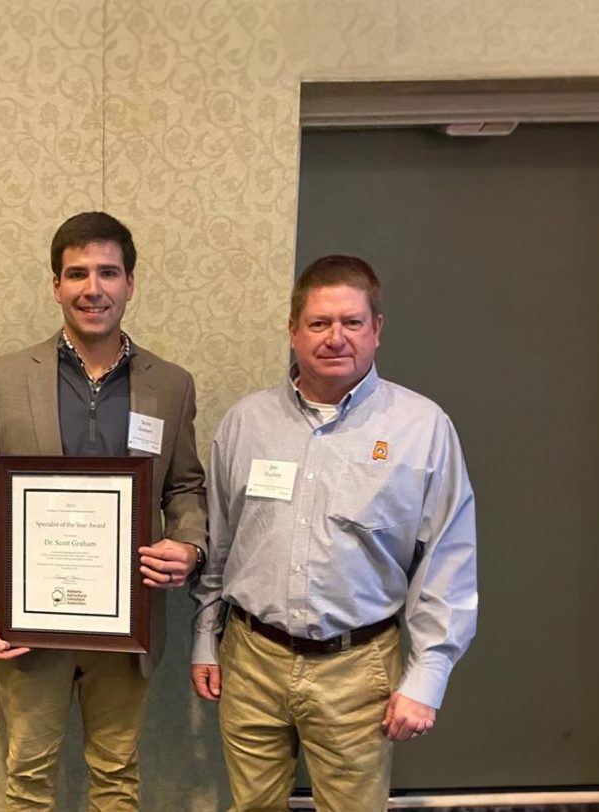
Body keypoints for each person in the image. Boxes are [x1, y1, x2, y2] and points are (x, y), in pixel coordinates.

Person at [191, 255, 477, 812]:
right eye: (319, 323)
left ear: (377, 329)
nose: (335, 338)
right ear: (294, 330)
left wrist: (428, 676)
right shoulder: (246, 422)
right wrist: (206, 638)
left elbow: (449, 560)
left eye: (351, 322)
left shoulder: (422, 429)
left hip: (358, 667)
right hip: (250, 659)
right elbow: (220, 545)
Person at [0, 212, 208, 810]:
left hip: (128, 621)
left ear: (131, 283)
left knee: (116, 775)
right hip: (29, 621)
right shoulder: (4, 379)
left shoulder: (170, 384)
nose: (94, 288)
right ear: (56, 285)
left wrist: (189, 547)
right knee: (28, 778)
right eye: (78, 273)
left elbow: (186, 487)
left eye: (108, 273)